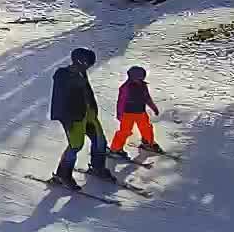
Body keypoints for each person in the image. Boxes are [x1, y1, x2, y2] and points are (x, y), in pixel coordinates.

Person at [49, 47, 114, 186]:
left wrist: (93, 109)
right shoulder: (62, 75)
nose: (88, 68)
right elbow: (60, 98)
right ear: (79, 62)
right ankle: (62, 175)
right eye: (87, 65)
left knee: (100, 140)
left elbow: (87, 91)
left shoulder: (81, 73)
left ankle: (98, 167)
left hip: (89, 114)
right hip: (73, 118)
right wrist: (66, 119)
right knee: (76, 146)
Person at [110, 66, 164, 155]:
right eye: (139, 78)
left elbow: (147, 98)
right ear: (132, 77)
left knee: (146, 128)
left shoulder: (143, 86)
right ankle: (116, 148)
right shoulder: (125, 87)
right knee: (124, 131)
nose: (140, 80)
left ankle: (148, 142)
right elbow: (121, 101)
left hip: (141, 112)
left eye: (142, 78)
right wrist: (120, 114)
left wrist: (153, 107)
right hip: (127, 114)